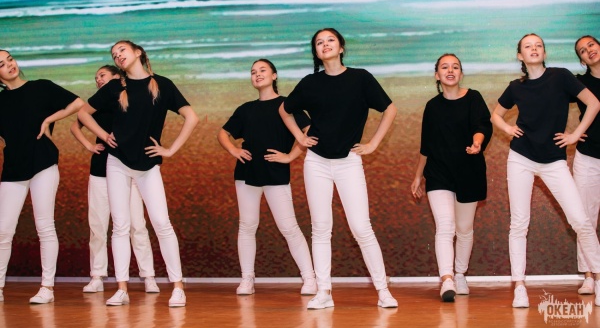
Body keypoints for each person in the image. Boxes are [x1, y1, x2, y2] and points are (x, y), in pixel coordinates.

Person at [279, 28, 398, 309]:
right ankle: (324, 293)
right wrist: (299, 138)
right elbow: (285, 109)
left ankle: (383, 291)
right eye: (319, 42)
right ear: (316, 52)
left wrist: (373, 144)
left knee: (361, 227)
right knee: (321, 229)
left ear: (341, 47)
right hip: (316, 162)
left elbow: (390, 109)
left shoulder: (360, 78)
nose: (325, 45)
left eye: (330, 40)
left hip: (349, 162)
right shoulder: (310, 83)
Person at [77, 40, 199, 307]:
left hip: (148, 165)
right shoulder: (114, 87)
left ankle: (178, 287)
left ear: (138, 52)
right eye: (114, 54)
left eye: (121, 50)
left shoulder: (162, 85)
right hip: (117, 162)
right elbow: (83, 114)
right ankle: (122, 289)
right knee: (120, 227)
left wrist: (170, 150)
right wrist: (103, 136)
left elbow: (192, 117)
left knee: (162, 224)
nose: (118, 56)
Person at [491, 33, 600, 308]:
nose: (534, 49)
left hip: (554, 161)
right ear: (520, 56)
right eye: (528, 46)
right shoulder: (515, 87)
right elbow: (495, 115)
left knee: (581, 221)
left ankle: (598, 279)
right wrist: (507, 128)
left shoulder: (561, 76)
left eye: (538, 45)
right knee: (519, 223)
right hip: (521, 158)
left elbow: (594, 103)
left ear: (544, 52)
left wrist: (575, 134)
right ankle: (519, 287)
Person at [217, 58, 317, 296]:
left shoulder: (287, 106)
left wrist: (290, 156)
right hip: (246, 174)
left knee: (289, 227)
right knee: (247, 226)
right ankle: (247, 279)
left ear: (274, 75)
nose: (257, 74)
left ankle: (310, 278)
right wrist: (234, 150)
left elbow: (309, 132)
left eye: (262, 70)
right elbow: (222, 134)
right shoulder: (245, 109)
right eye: (253, 72)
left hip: (275, 173)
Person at [0, 50, 84, 304]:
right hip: (13, 168)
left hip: (43, 162)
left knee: (45, 226)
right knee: (3, 230)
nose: (9, 65)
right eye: (1, 64)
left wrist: (49, 119)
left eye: (10, 59)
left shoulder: (41, 87)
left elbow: (77, 103)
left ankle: (47, 287)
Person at [70, 65, 159, 294]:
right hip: (100, 170)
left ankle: (148, 275)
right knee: (98, 226)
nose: (98, 80)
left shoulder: (130, 101)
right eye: (96, 77)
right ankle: (97, 275)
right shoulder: (96, 104)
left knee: (137, 225)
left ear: (117, 78)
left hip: (129, 169)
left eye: (102, 76)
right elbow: (75, 125)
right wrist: (91, 144)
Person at [410, 54, 492, 302]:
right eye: (444, 67)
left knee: (464, 229)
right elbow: (426, 146)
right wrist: (418, 176)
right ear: (437, 75)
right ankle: (446, 279)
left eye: (455, 67)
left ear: (461, 73)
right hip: (438, 173)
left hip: (469, 170)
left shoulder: (474, 98)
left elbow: (482, 125)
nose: (450, 70)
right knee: (445, 226)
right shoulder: (432, 106)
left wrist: (477, 143)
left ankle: (460, 274)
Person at [573, 35, 600, 296]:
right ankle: (590, 275)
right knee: (585, 218)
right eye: (582, 50)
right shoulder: (580, 83)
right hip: (588, 157)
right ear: (581, 60)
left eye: (591, 45)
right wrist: (572, 134)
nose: (588, 50)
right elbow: (551, 102)